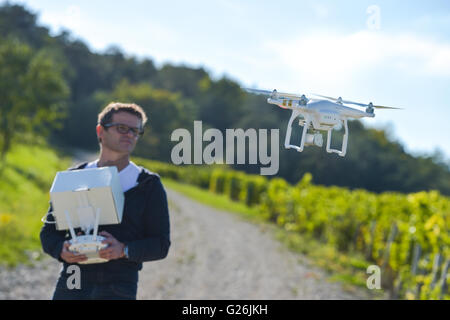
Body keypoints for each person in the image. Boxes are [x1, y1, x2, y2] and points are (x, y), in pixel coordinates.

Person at [40, 102, 171, 300]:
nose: (129, 134)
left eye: (136, 131)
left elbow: (161, 244)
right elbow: (49, 234)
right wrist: (62, 250)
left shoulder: (148, 184)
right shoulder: (73, 177)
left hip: (119, 284)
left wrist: (124, 250)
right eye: (122, 128)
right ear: (100, 131)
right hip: (73, 278)